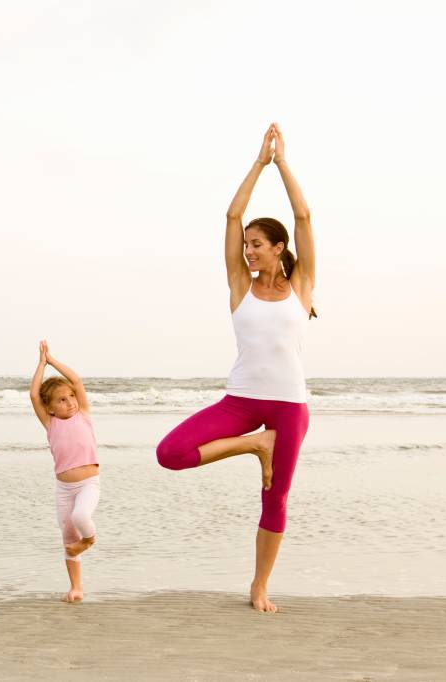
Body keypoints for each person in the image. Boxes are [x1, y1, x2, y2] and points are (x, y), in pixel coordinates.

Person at [155, 123, 317, 612]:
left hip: (289, 405)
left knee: (276, 499)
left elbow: (303, 216)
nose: (248, 250)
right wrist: (258, 162)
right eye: (245, 244)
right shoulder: (239, 285)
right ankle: (255, 445)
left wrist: (282, 163)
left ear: (278, 247)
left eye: (257, 244)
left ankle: (259, 586)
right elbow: (231, 214)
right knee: (170, 453)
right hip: (241, 401)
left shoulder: (302, 285)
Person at [29, 340, 101, 603]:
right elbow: (34, 395)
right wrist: (40, 364)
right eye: (62, 400)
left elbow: (77, 381)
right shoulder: (50, 423)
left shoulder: (83, 414)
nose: (70, 402)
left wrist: (52, 361)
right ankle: (76, 588)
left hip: (88, 483)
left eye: (71, 397)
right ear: (50, 407)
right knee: (69, 539)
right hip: (64, 489)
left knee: (81, 516)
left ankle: (90, 539)